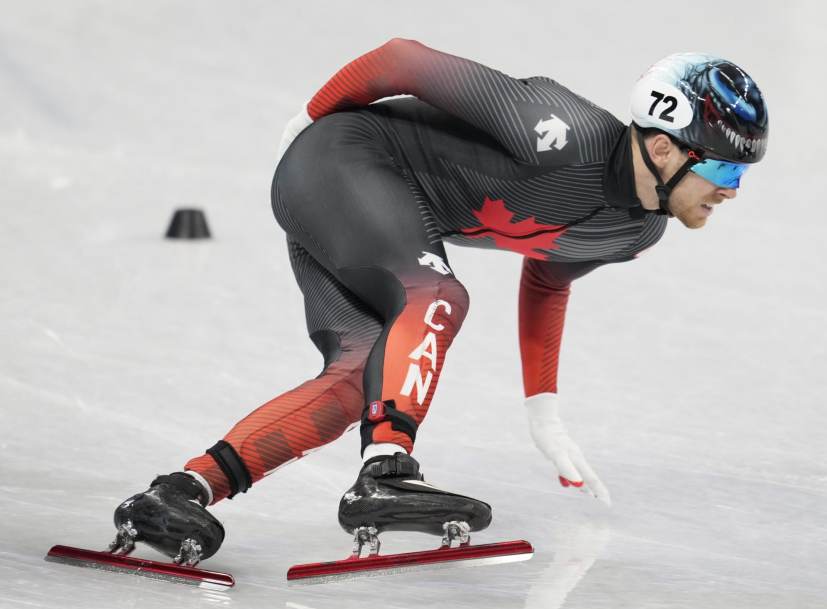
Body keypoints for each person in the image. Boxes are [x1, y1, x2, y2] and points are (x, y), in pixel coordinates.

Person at [108, 40, 770, 567]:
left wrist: (543, 409)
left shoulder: (637, 229)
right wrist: (307, 120)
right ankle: (388, 469)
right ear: (663, 147)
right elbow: (402, 61)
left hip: (372, 216)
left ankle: (178, 493)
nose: (733, 191)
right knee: (436, 293)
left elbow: (547, 276)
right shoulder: (559, 130)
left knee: (353, 382)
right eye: (726, 171)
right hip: (340, 161)